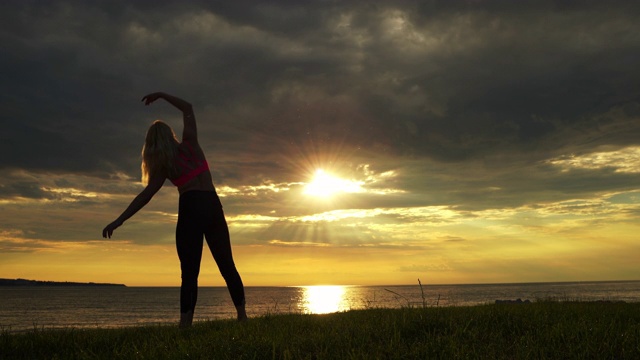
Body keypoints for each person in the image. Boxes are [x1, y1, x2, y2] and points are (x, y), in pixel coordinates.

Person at [102, 92, 247, 326]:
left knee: (189, 273)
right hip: (211, 205)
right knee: (226, 265)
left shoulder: (164, 167)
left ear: (152, 145)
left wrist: (119, 220)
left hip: (191, 207)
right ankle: (242, 317)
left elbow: (145, 196)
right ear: (170, 135)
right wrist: (162, 95)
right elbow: (188, 107)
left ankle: (185, 324)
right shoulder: (191, 145)